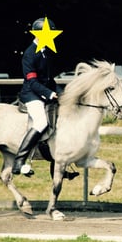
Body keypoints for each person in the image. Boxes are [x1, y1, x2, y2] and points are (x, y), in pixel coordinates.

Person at [12, 17, 79, 181]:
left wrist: (62, 94)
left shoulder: (46, 52)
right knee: (41, 122)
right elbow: (33, 82)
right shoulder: (29, 54)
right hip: (31, 94)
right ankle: (19, 162)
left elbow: (50, 80)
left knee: (62, 119)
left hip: (45, 91)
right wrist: (49, 94)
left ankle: (61, 166)